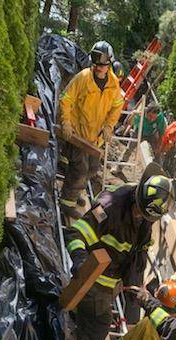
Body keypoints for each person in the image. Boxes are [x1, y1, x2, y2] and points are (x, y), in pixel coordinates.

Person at [64, 163, 174, 340]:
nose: (140, 217)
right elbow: (77, 232)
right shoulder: (109, 205)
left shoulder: (146, 214)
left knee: (93, 312)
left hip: (114, 277)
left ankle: (80, 315)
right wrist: (81, 261)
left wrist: (134, 285)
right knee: (101, 321)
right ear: (136, 196)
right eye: (139, 212)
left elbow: (138, 251)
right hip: (95, 275)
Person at [59, 40, 124, 218]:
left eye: (102, 65)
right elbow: (66, 99)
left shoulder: (114, 84)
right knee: (79, 169)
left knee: (92, 169)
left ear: (109, 63)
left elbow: (117, 106)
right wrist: (66, 122)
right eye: (96, 64)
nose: (98, 68)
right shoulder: (83, 77)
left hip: (96, 138)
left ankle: (76, 191)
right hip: (78, 134)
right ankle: (66, 202)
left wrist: (109, 126)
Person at [118, 102, 166, 167]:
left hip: (152, 133)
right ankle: (119, 167)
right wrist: (133, 115)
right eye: (150, 116)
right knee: (129, 148)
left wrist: (158, 147)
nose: (151, 119)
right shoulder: (140, 114)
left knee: (158, 153)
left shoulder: (160, 117)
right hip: (139, 131)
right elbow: (129, 123)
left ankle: (158, 172)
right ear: (146, 112)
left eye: (154, 118)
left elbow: (161, 134)